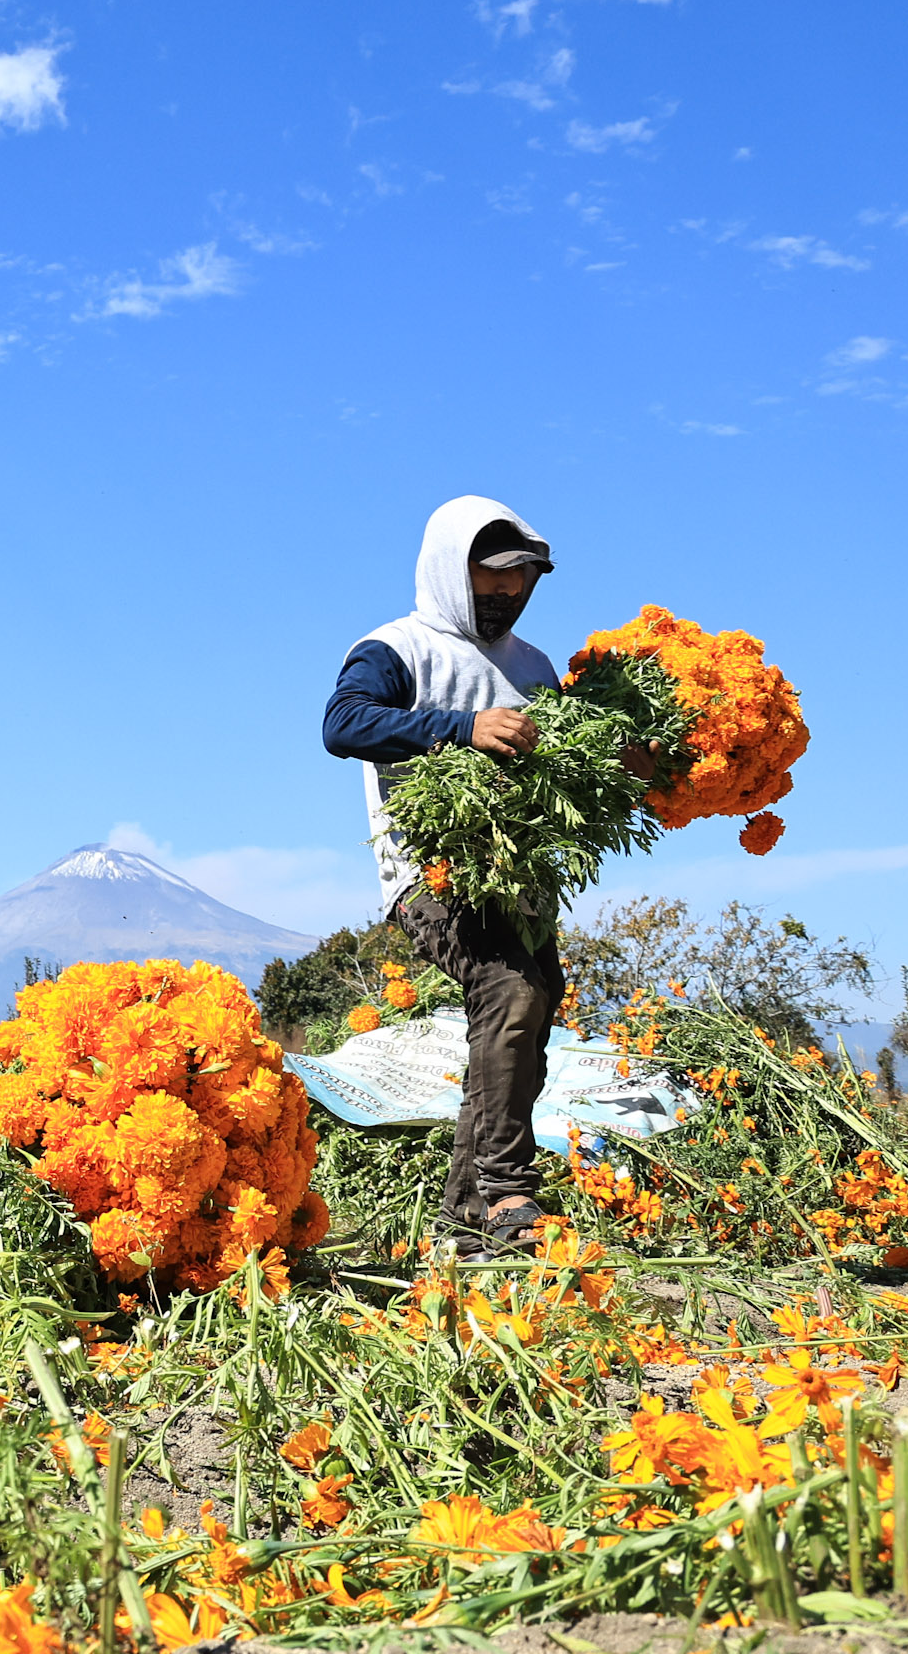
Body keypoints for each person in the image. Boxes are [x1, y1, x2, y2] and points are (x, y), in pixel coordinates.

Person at [320, 496, 565, 1253]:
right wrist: (462, 728)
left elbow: (566, 766)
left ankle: (467, 1213)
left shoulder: (534, 667)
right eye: (491, 580)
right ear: (449, 569)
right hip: (433, 873)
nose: (506, 595)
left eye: (520, 582)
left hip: (518, 874)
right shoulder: (398, 647)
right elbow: (344, 723)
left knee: (523, 1016)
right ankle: (506, 1192)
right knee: (509, 991)